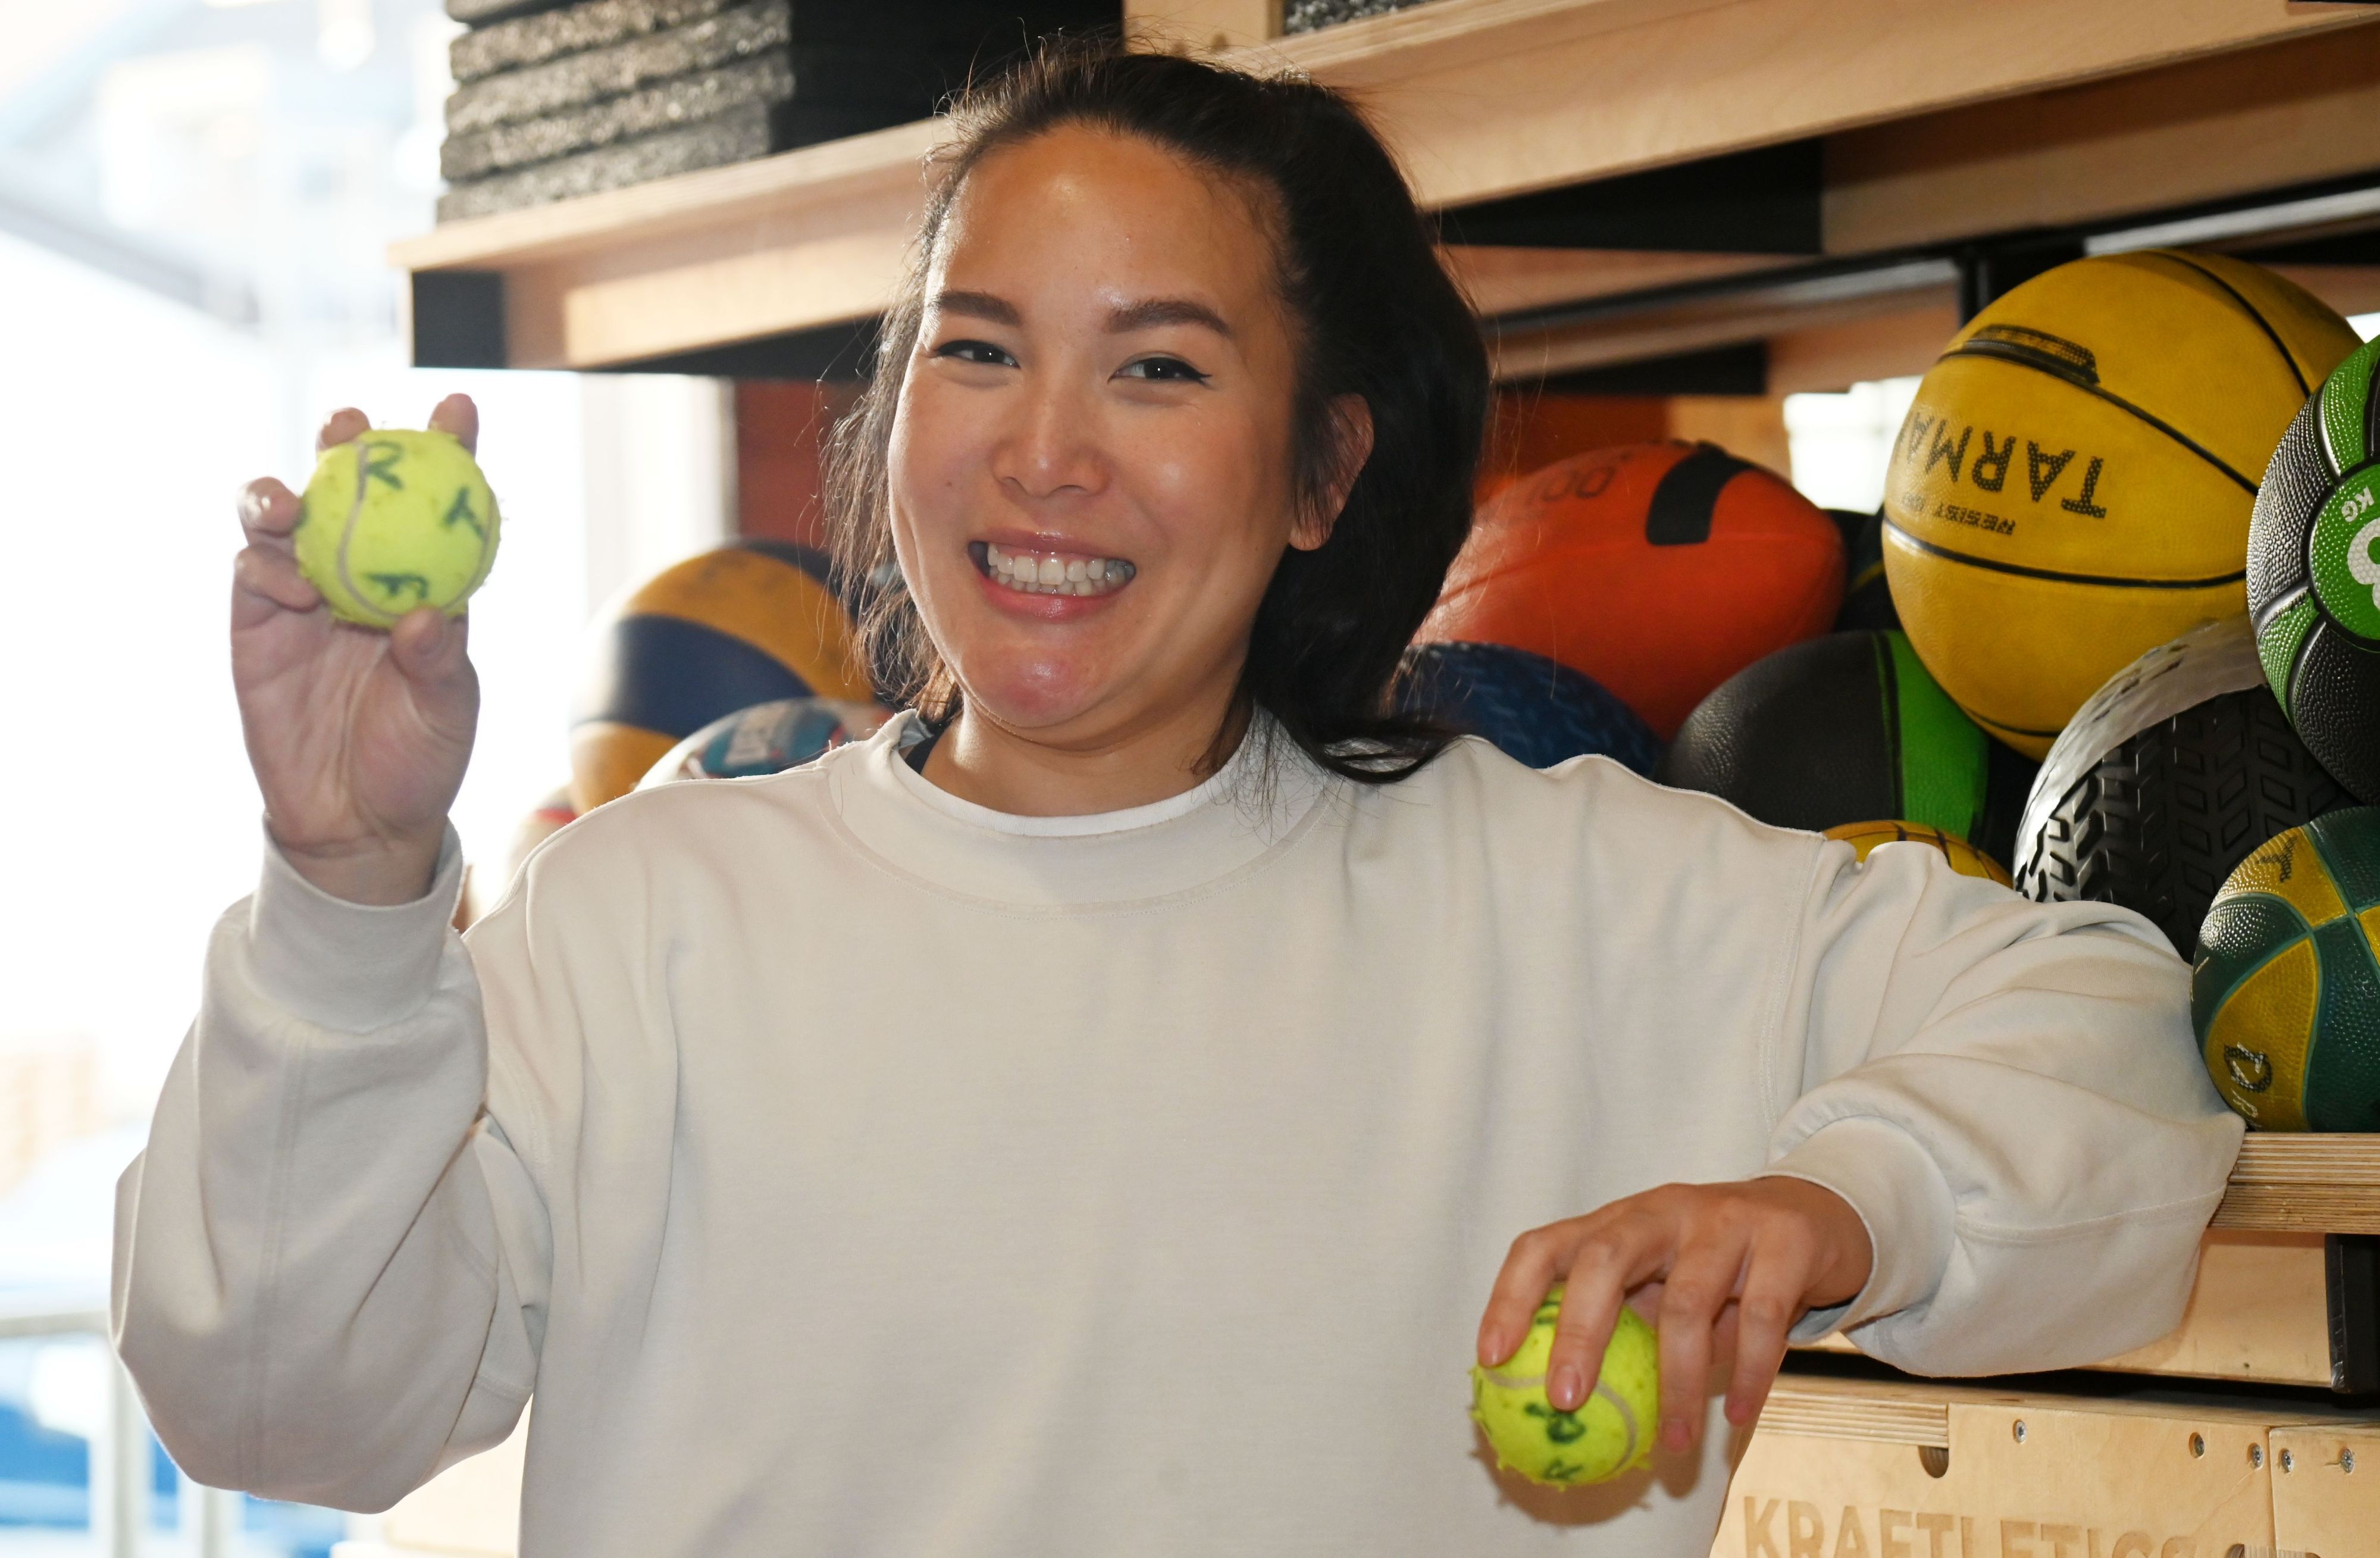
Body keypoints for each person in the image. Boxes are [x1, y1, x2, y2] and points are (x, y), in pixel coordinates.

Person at [114, 42, 2240, 1556]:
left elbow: (2112, 1019)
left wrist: (1835, 1204)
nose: (1044, 453)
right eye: (976, 349)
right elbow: (278, 1401)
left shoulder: (1569, 893)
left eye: (1157, 367)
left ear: (1324, 470)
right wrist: (348, 887)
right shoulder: (648, 918)